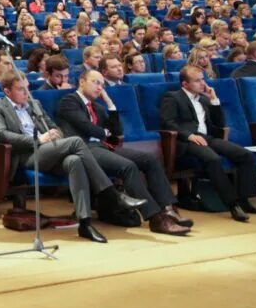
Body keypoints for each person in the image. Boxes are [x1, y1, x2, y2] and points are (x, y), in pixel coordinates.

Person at [0, 72, 145, 244]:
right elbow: (0, 134)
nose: (27, 93)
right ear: (7, 91)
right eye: (21, 89)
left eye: (28, 88)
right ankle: (112, 194)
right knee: (76, 141)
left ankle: (85, 224)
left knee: (74, 161)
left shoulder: (35, 103)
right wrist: (38, 139)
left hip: (50, 150)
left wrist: (55, 133)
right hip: (27, 155)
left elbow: (55, 127)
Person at [56, 71, 191, 236]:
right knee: (127, 166)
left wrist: (110, 104)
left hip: (103, 147)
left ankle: (168, 209)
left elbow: (117, 132)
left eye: (102, 84)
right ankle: (156, 219)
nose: (100, 87)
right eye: (95, 82)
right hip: (84, 149)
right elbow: (87, 128)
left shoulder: (98, 107)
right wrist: (106, 133)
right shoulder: (69, 101)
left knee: (150, 160)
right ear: (82, 82)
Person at [160, 66, 256, 222]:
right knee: (213, 159)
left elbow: (219, 124)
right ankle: (233, 205)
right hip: (186, 141)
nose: (202, 83)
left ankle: (245, 200)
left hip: (207, 138)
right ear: (185, 84)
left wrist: (214, 100)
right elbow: (167, 123)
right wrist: (189, 135)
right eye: (197, 80)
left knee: (244, 154)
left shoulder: (204, 99)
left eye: (203, 79)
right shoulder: (172, 97)